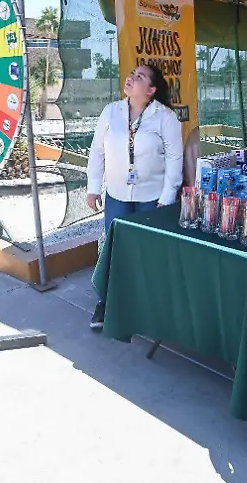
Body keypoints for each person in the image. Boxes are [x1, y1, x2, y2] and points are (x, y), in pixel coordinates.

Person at [86, 64, 183, 330]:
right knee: (113, 249)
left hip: (152, 197)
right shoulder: (111, 112)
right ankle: (105, 303)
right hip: (117, 194)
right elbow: (97, 151)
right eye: (132, 74)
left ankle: (147, 307)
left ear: (151, 90)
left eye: (139, 77)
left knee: (148, 253)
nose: (131, 78)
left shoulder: (165, 117)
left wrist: (167, 196)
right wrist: (93, 186)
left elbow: (175, 159)